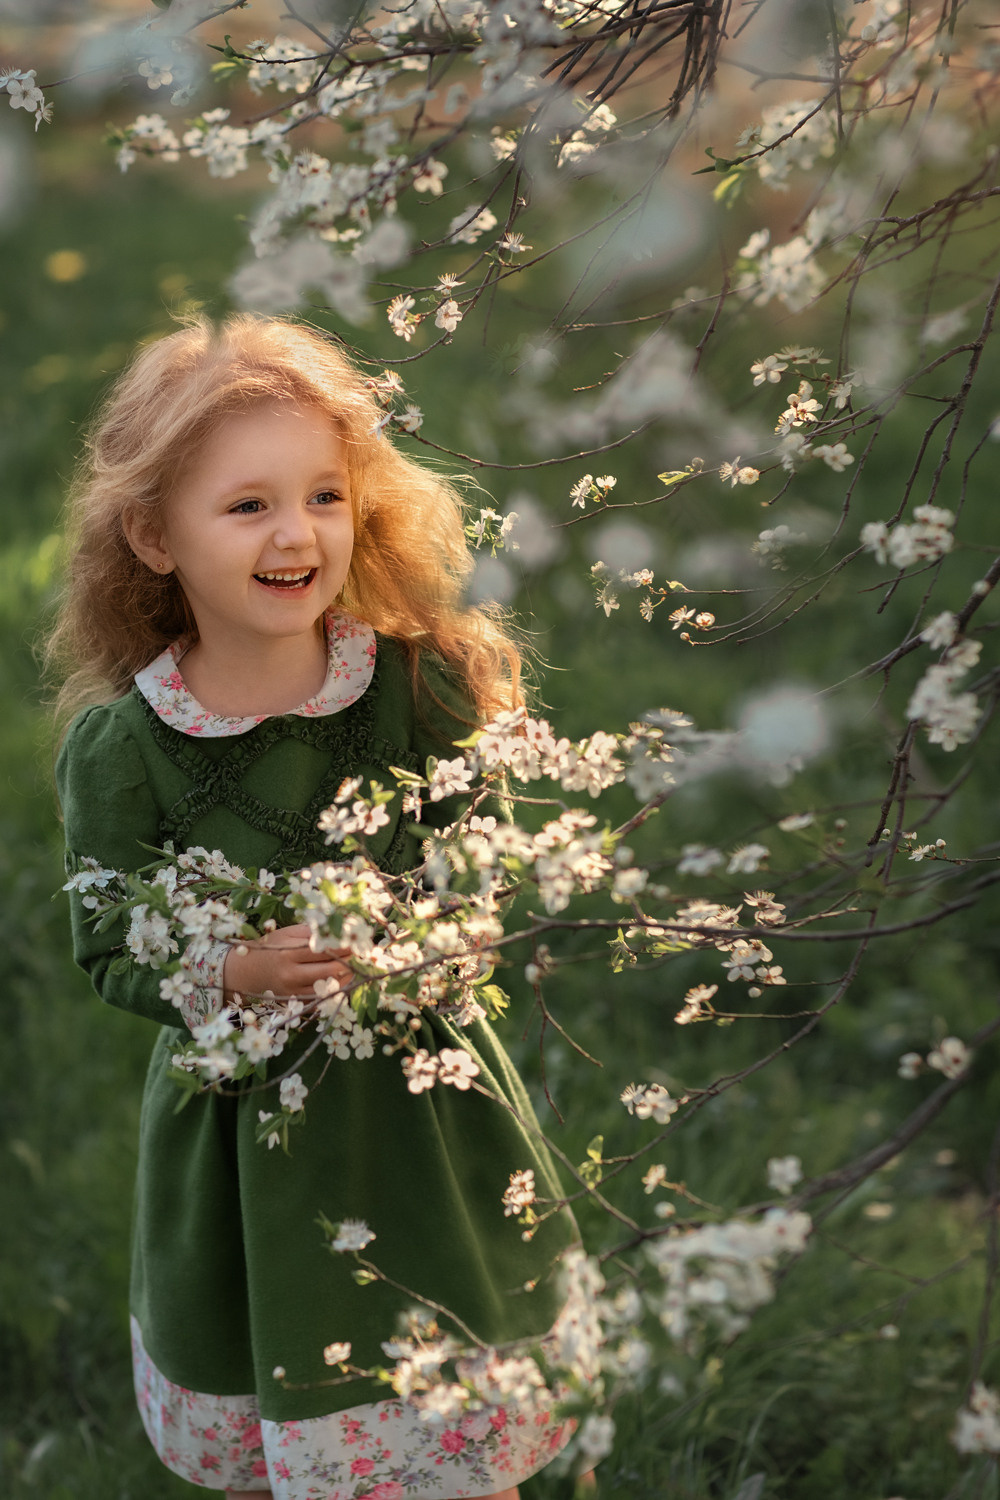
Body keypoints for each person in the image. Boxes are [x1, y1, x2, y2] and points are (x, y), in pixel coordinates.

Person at [51, 315, 584, 1500]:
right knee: (276, 1434)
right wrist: (233, 972)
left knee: (455, 1442)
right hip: (247, 1150)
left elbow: (482, 874)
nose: (296, 534)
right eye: (248, 506)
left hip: (419, 1122)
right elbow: (109, 945)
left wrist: (428, 937)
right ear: (154, 535)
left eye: (324, 496)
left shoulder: (416, 687)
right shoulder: (126, 750)